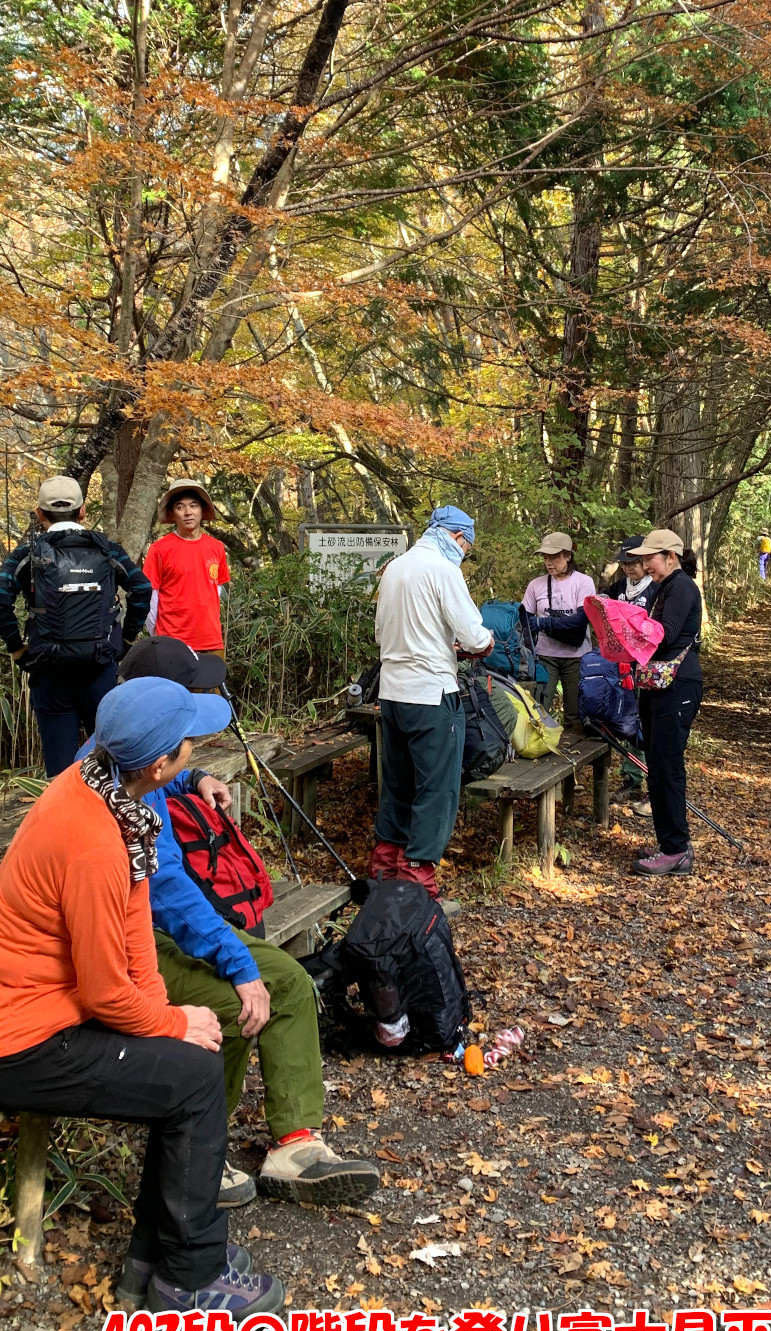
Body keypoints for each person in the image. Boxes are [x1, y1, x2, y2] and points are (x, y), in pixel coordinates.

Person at [0, 676, 285, 1319]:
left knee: (189, 1064)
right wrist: (168, 1020)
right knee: (191, 1081)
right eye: (190, 740)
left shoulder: (107, 795)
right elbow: (106, 991)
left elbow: (135, 926)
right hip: (15, 1045)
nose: (196, 748)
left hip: (47, 1017)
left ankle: (153, 1262)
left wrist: (170, 1015)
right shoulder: (93, 840)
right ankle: (190, 1277)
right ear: (161, 764)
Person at [111, 636, 380, 1212]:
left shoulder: (123, 757)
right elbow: (171, 898)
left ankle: (294, 1142)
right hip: (133, 944)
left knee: (284, 980)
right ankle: (199, 1146)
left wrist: (195, 776)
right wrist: (236, 963)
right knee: (245, 993)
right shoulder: (124, 803)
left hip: (157, 925)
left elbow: (153, 770)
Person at [0, 475, 153, 776]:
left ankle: (65, 820)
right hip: (100, 667)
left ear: (39, 514)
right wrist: (126, 641)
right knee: (109, 762)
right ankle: (111, 817)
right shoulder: (108, 551)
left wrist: (17, 650)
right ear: (83, 511)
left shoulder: (27, 555)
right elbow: (141, 589)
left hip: (49, 672)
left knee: (60, 771)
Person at [371, 504, 494, 899]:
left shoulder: (395, 568)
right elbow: (475, 638)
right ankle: (417, 878)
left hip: (391, 692)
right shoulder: (444, 570)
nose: (465, 553)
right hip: (431, 692)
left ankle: (385, 862)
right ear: (457, 537)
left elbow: (381, 632)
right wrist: (485, 642)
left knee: (398, 781)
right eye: (467, 547)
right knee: (437, 786)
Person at [628, 528, 703, 879]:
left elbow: (666, 634)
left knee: (667, 766)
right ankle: (668, 843)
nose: (645, 565)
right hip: (662, 685)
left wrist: (627, 626)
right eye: (642, 559)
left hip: (678, 684)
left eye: (649, 558)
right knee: (657, 765)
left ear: (670, 557)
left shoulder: (681, 586)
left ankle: (675, 850)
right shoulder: (665, 588)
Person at [143, 479, 230, 655]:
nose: (188, 512)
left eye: (193, 505)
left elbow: (216, 590)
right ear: (172, 513)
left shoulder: (216, 547)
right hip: (172, 643)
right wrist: (159, 636)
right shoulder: (159, 550)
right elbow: (150, 599)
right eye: (180, 507)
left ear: (202, 510)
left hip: (211, 641)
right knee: (173, 684)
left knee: (211, 683)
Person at [521, 532, 595, 726]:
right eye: (545, 558)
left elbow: (582, 618)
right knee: (540, 708)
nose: (549, 562)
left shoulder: (583, 582)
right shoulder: (536, 585)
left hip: (577, 656)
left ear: (568, 556)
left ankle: (575, 752)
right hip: (545, 655)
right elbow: (525, 620)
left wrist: (545, 623)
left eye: (553, 557)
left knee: (575, 713)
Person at [604, 536, 651, 809]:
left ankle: (646, 778)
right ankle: (630, 779)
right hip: (620, 664)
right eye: (625, 564)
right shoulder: (620, 587)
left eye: (634, 563)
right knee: (625, 719)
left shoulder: (655, 589)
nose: (629, 569)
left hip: (646, 665)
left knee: (645, 722)